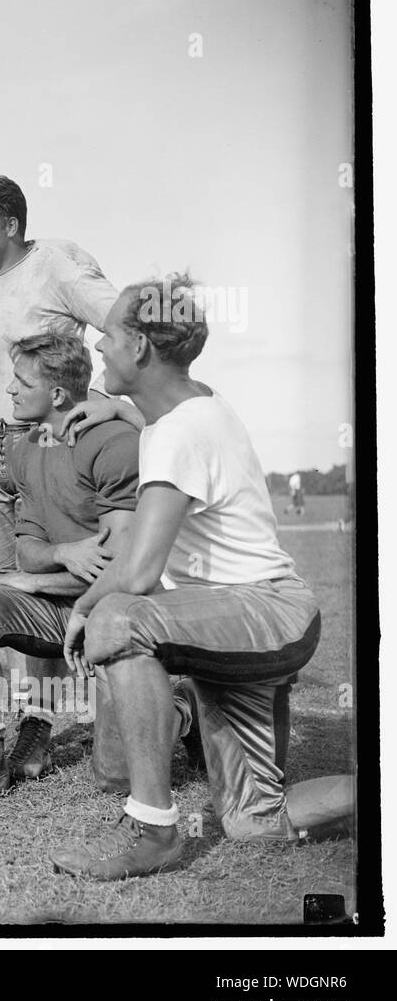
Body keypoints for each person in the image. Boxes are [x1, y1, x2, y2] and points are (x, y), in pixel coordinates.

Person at [51, 276, 355, 879]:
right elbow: (183, 395)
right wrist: (120, 405)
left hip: (263, 614)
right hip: (248, 625)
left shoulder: (178, 433)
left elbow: (137, 574)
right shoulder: (199, 406)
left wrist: (85, 605)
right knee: (253, 824)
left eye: (107, 334)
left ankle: (155, 834)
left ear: (139, 347)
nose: (97, 346)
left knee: (118, 619)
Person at [0, 333, 199, 800]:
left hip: (114, 614)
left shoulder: (114, 442)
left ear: (56, 395)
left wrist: (35, 580)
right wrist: (60, 556)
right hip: (61, 606)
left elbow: (121, 567)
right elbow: (28, 549)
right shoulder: (26, 446)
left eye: (20, 380)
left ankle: (183, 708)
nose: (9, 390)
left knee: (116, 777)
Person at [0, 174, 144, 733]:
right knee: (7, 584)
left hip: (50, 444)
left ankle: (46, 723)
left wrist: (114, 405)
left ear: (13, 226)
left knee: (69, 574)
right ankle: (19, 724)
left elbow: (124, 327)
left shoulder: (56, 266)